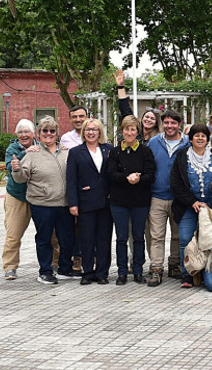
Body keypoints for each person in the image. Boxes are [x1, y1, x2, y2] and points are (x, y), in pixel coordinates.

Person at [11, 116, 76, 284]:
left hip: (64, 204)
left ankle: (65, 269)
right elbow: (21, 178)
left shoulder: (66, 151)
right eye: (44, 131)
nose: (49, 134)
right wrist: (17, 170)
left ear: (57, 133)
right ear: (38, 134)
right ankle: (45, 271)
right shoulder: (32, 154)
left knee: (67, 239)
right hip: (42, 205)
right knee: (44, 239)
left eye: (52, 131)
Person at [170, 124, 212, 288]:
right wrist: (192, 201)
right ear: (190, 138)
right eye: (196, 135)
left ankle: (210, 270)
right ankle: (188, 274)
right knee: (185, 239)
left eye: (203, 135)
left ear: (207, 139)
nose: (200, 138)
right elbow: (176, 183)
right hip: (188, 206)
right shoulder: (181, 156)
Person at [105, 116, 156, 285]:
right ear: (122, 131)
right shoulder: (115, 151)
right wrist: (126, 178)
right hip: (119, 201)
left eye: (133, 129)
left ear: (137, 132)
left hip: (139, 201)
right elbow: (110, 174)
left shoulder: (145, 151)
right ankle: (121, 272)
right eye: (126, 129)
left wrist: (138, 179)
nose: (129, 132)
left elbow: (150, 174)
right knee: (121, 238)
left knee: (138, 237)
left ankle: (138, 271)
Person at [66, 118, 114, 285]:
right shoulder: (75, 152)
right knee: (87, 239)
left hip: (106, 202)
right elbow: (71, 179)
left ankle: (102, 272)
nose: (91, 132)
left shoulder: (109, 149)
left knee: (104, 239)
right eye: (87, 130)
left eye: (94, 129)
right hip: (85, 202)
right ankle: (88, 272)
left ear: (99, 132)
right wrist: (73, 203)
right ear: (83, 132)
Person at [145, 109, 190, 287]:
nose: (170, 126)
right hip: (157, 196)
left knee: (178, 235)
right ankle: (156, 268)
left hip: (179, 198)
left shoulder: (187, 143)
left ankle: (175, 265)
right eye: (167, 123)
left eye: (173, 123)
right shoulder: (154, 142)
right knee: (156, 235)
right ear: (162, 124)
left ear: (180, 124)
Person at [2, 119, 36, 280]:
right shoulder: (12, 148)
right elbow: (11, 168)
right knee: (13, 234)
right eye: (20, 132)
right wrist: (26, 153)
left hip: (38, 196)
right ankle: (10, 267)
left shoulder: (42, 146)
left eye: (26, 132)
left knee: (51, 234)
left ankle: (54, 263)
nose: (24, 135)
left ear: (33, 133)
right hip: (17, 196)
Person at [114, 69, 160, 141]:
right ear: (142, 119)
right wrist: (120, 87)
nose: (148, 120)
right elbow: (125, 109)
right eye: (147, 117)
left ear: (156, 123)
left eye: (152, 118)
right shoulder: (135, 132)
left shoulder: (158, 139)